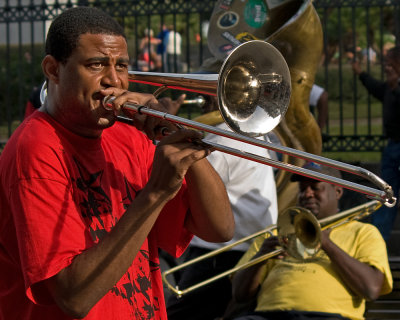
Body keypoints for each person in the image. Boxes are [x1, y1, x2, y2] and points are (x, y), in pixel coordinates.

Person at [0, 7, 234, 320]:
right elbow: (74, 298)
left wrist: (175, 131)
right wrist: (155, 194)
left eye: (121, 65)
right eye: (96, 64)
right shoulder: (37, 147)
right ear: (53, 70)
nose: (113, 79)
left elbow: (219, 228)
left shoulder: (128, 137)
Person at [228, 162, 392, 320]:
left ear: (338, 192)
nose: (307, 194)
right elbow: (240, 295)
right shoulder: (277, 231)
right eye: (302, 189)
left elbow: (371, 289)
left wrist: (326, 244)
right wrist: (261, 258)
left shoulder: (363, 232)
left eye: (315, 188)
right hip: (269, 315)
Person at [166, 97, 278, 320]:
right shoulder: (252, 133)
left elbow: (186, 190)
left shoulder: (224, 138)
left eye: (208, 97)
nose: (202, 104)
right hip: (246, 251)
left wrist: (166, 130)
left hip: (221, 254)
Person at [352, 46, 400, 241]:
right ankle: (378, 243)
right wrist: (361, 74)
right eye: (386, 63)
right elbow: (377, 89)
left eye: (391, 63)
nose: (386, 66)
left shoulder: (395, 87)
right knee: (386, 197)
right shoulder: (390, 86)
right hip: (392, 148)